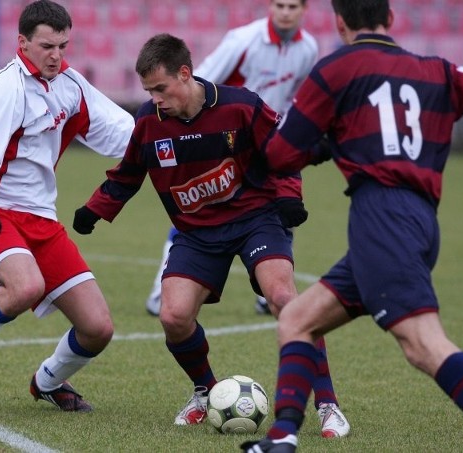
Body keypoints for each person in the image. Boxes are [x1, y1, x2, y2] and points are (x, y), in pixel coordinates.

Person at [241, 1, 463, 451]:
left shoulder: (337, 69)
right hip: (420, 220)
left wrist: (322, 144)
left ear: (340, 22)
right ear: (391, 20)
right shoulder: (438, 71)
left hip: (381, 217)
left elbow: (281, 153)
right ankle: (282, 437)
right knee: (298, 320)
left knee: (423, 344)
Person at [74, 33, 349, 438]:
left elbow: (284, 153)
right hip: (197, 232)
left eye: (161, 88)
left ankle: (327, 405)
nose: (154, 98)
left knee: (285, 299)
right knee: (173, 316)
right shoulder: (150, 122)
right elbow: (128, 174)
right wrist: (95, 210)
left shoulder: (242, 106)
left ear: (185, 74)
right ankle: (205, 392)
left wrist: (289, 198)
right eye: (148, 90)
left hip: (256, 219)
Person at [0, 0, 134, 413]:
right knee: (24, 287)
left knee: (98, 328)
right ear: (23, 42)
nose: (56, 55)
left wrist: (163, 137)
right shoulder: (6, 90)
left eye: (63, 46)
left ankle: (49, 381)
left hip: (40, 218)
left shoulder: (70, 85)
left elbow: (119, 129)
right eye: (47, 46)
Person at [145, 0, 317, 318]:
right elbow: (200, 80)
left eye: (293, 6)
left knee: (280, 206)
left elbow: (296, 95)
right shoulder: (242, 41)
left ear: (304, 9)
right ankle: (160, 290)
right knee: (200, 207)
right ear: (270, 6)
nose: (285, 11)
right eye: (280, 4)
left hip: (267, 141)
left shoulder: (308, 48)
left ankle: (268, 294)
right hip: (224, 144)